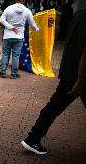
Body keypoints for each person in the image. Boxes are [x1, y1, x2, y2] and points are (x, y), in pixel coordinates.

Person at [21, 9, 86, 155]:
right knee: (54, 106)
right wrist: (80, 82)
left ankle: (33, 138)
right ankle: (33, 138)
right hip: (80, 76)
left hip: (69, 71)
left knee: (53, 106)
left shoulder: (80, 14)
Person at [0, 0, 39, 79]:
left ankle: (3, 72)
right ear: (24, 1)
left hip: (7, 36)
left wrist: (11, 27)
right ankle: (14, 74)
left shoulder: (9, 8)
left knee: (5, 54)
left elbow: (1, 20)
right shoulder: (27, 11)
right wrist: (37, 29)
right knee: (16, 55)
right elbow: (32, 23)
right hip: (19, 36)